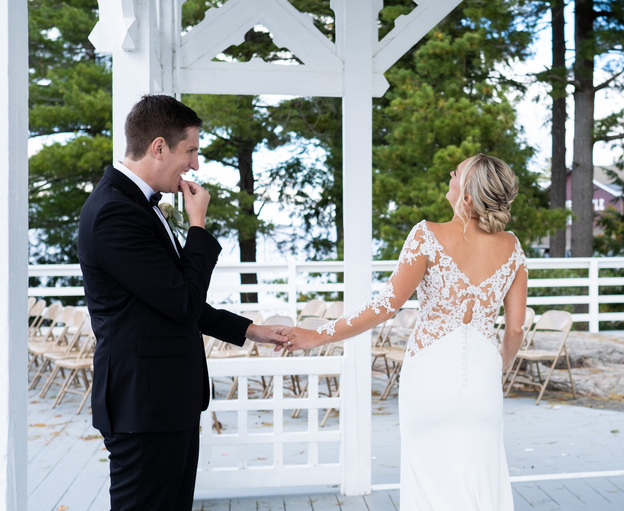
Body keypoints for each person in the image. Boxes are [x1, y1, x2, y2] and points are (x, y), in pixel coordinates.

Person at [77, 94, 288, 511]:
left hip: (164, 401)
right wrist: (197, 226)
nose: (194, 165)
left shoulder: (138, 206)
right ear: (159, 147)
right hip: (144, 405)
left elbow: (167, 296)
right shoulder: (114, 213)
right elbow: (182, 300)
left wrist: (248, 329)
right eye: (190, 150)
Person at [285, 153, 528, 510]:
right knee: (484, 478)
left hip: (429, 377)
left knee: (430, 484)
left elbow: (386, 306)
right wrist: (500, 365)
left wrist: (319, 334)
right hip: (482, 379)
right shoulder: (513, 247)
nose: (450, 173)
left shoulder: (427, 235)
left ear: (469, 196)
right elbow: (517, 327)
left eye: (457, 172)